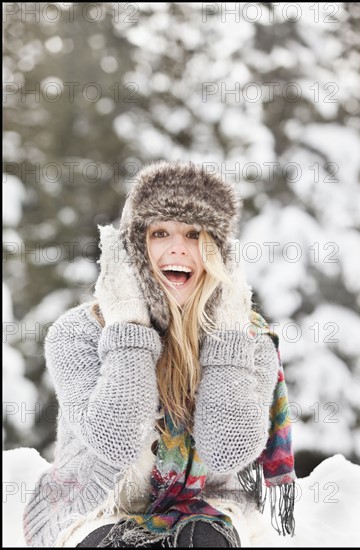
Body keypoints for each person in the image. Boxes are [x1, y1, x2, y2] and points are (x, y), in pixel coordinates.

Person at [23, 161, 296, 548]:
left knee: (202, 540)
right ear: (135, 246)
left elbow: (225, 454)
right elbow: (115, 442)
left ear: (217, 252)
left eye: (195, 234)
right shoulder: (78, 333)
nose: (178, 248)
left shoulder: (248, 341)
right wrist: (130, 332)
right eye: (160, 232)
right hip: (96, 508)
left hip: (203, 507)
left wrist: (228, 339)